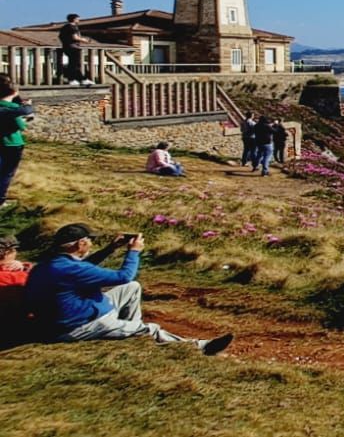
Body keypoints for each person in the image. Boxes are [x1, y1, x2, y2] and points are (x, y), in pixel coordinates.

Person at [23, 223, 232, 354]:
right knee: (151, 327)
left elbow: (83, 268)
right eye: (90, 240)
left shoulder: (48, 265)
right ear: (80, 244)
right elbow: (123, 276)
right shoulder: (72, 270)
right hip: (78, 326)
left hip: (63, 319)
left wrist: (111, 248)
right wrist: (134, 252)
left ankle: (131, 330)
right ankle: (199, 347)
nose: (92, 243)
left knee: (132, 288)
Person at [0, 77, 34, 210]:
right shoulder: (14, 108)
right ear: (14, 92)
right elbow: (21, 126)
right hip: (12, 144)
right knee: (6, 173)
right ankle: (1, 200)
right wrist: (26, 118)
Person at [57, 13, 93, 86]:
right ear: (74, 19)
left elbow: (60, 36)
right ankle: (74, 79)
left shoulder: (65, 27)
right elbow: (75, 37)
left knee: (74, 64)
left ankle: (80, 79)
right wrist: (85, 40)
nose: (79, 20)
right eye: (77, 19)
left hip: (67, 47)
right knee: (74, 64)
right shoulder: (72, 27)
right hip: (73, 47)